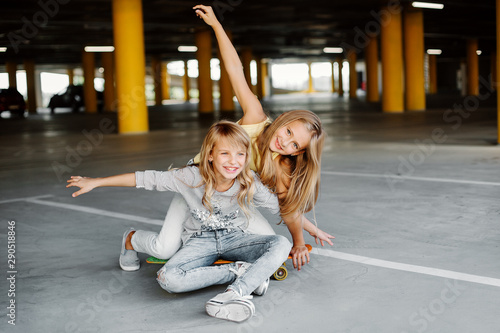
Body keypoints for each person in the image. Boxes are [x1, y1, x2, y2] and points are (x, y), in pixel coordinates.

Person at [67, 121, 292, 323]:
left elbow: (281, 208)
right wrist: (97, 182)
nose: (233, 162)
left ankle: (235, 294)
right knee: (168, 278)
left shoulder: (248, 180)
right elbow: (146, 178)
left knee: (281, 243)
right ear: (210, 155)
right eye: (225, 153)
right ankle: (238, 271)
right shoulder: (190, 177)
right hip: (199, 240)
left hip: (234, 237)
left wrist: (307, 230)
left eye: (240, 155)